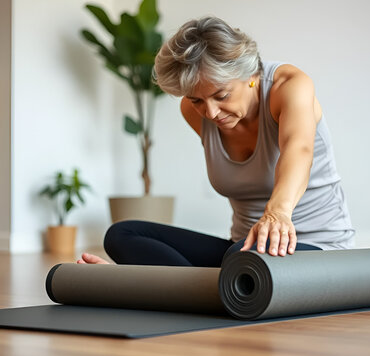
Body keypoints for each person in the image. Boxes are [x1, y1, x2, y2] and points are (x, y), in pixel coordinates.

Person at [78, 16, 354, 267]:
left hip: (320, 250)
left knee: (242, 261)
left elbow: (299, 149)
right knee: (122, 234)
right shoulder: (193, 111)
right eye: (197, 99)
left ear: (250, 77)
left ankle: (152, 286)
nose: (210, 113)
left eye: (221, 96)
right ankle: (180, 287)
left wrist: (277, 213)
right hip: (245, 250)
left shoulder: (289, 86)